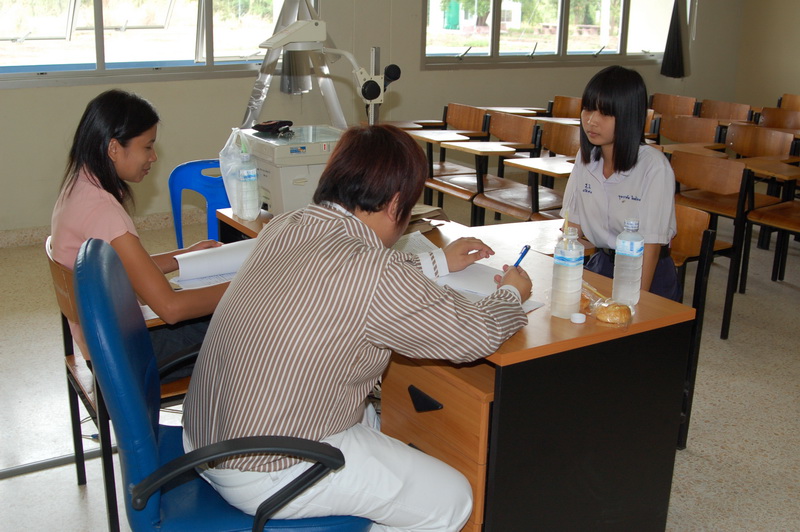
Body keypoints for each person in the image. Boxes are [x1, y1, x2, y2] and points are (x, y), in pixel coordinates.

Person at [182, 124, 532, 531]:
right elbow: (473, 335)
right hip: (266, 468)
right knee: (453, 500)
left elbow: (350, 277)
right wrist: (512, 293)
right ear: (396, 203)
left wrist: (438, 262)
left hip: (205, 438)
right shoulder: (373, 271)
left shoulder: (288, 224)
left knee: (373, 418)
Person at [51, 89, 229, 378]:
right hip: (128, 357)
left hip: (104, 343)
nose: (153, 157)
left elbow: (120, 267)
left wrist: (184, 255)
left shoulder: (79, 187)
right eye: (147, 147)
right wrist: (247, 285)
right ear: (113, 148)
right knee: (253, 323)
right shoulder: (103, 210)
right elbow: (171, 308)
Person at [560, 65, 681, 301]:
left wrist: (635, 302)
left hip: (644, 272)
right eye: (588, 109)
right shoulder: (586, 158)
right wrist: (562, 274)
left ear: (629, 116)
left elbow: (650, 246)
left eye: (605, 113)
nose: (591, 121)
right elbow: (571, 227)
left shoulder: (654, 167)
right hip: (603, 263)